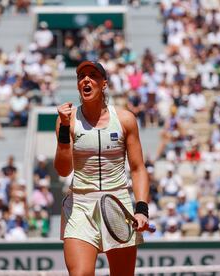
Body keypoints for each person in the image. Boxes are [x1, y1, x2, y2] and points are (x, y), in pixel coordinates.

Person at [54, 61, 150, 276]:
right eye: (82, 76)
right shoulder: (66, 121)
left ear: (104, 83)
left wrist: (142, 210)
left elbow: (138, 168)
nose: (86, 79)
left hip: (117, 203)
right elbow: (62, 170)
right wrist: (64, 130)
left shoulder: (125, 119)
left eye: (93, 75)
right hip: (80, 205)